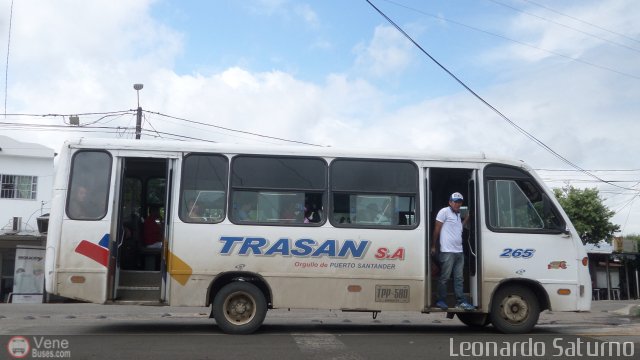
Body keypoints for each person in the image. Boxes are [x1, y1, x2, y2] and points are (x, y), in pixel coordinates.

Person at [430, 192, 474, 311]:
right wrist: (433, 246)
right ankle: (441, 300)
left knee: (459, 278)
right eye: (455, 201)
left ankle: (460, 301)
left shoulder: (458, 215)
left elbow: (459, 227)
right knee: (444, 277)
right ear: (450, 202)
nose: (457, 204)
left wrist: (468, 218)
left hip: (459, 251)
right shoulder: (444, 212)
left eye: (459, 202)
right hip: (447, 251)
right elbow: (436, 230)